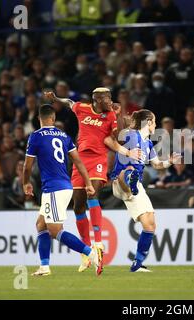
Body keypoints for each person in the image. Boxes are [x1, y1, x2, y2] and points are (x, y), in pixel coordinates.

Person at [43, 87, 142, 272]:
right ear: (97, 99)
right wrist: (56, 98)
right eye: (107, 98)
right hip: (79, 160)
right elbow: (70, 103)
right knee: (78, 205)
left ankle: (98, 244)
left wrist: (118, 115)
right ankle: (86, 252)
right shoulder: (82, 108)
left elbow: (115, 139)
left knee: (92, 195)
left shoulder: (111, 115)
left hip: (97, 159)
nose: (110, 100)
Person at [23, 104, 103, 276]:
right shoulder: (64, 136)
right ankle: (44, 267)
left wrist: (25, 183)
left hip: (54, 188)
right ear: (53, 118)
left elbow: (27, 166)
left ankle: (90, 253)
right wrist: (88, 183)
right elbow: (78, 162)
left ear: (39, 119)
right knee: (41, 225)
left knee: (55, 230)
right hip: (64, 185)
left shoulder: (35, 136)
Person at [110, 109, 181, 272]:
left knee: (150, 224)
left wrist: (169, 162)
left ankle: (138, 263)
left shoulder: (148, 143)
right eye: (154, 121)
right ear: (148, 122)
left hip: (136, 188)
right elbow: (113, 139)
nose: (156, 125)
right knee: (128, 170)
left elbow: (156, 164)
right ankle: (130, 180)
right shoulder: (130, 135)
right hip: (119, 183)